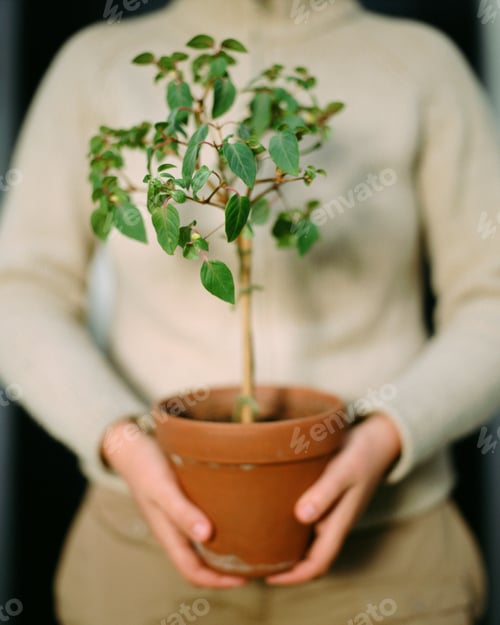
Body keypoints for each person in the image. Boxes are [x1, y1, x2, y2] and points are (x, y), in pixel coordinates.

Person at [1, 0, 499, 623]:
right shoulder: (95, 65)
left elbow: (492, 296)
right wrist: (118, 436)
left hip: (391, 552)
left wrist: (391, 430)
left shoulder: (423, 62)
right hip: (139, 549)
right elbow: (22, 290)